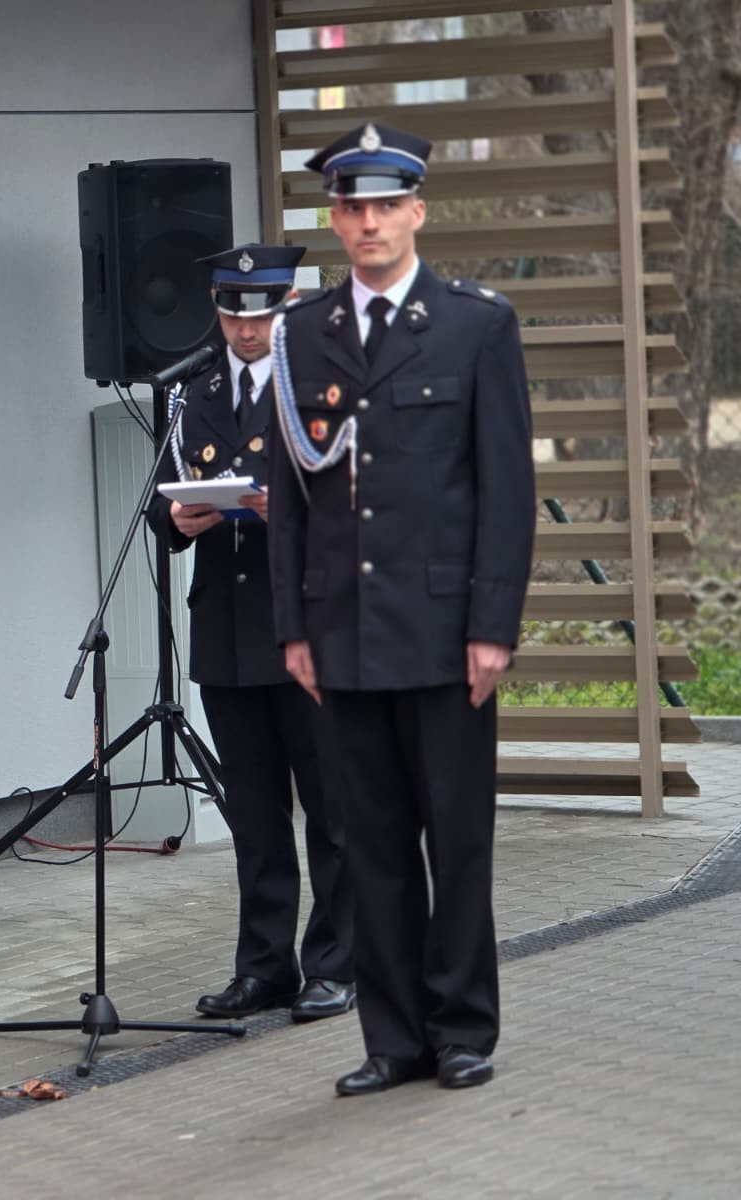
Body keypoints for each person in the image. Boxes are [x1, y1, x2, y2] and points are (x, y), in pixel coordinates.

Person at [266, 123, 535, 1094]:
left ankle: (461, 1028)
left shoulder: (473, 325)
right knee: (366, 843)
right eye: (351, 207)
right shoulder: (302, 333)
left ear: (417, 211)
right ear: (333, 218)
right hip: (342, 635)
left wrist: (492, 626)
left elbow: (504, 493)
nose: (367, 222)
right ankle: (392, 1040)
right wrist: (293, 627)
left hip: (443, 631)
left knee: (455, 841)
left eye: (385, 205)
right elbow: (289, 497)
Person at [145, 244, 354, 1025]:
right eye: (231, 312)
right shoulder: (192, 393)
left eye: (258, 312)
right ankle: (264, 966)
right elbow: (162, 507)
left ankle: (337, 961)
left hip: (308, 628)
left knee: (331, 810)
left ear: (288, 304)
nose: (243, 328)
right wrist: (180, 516)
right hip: (229, 631)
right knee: (256, 816)